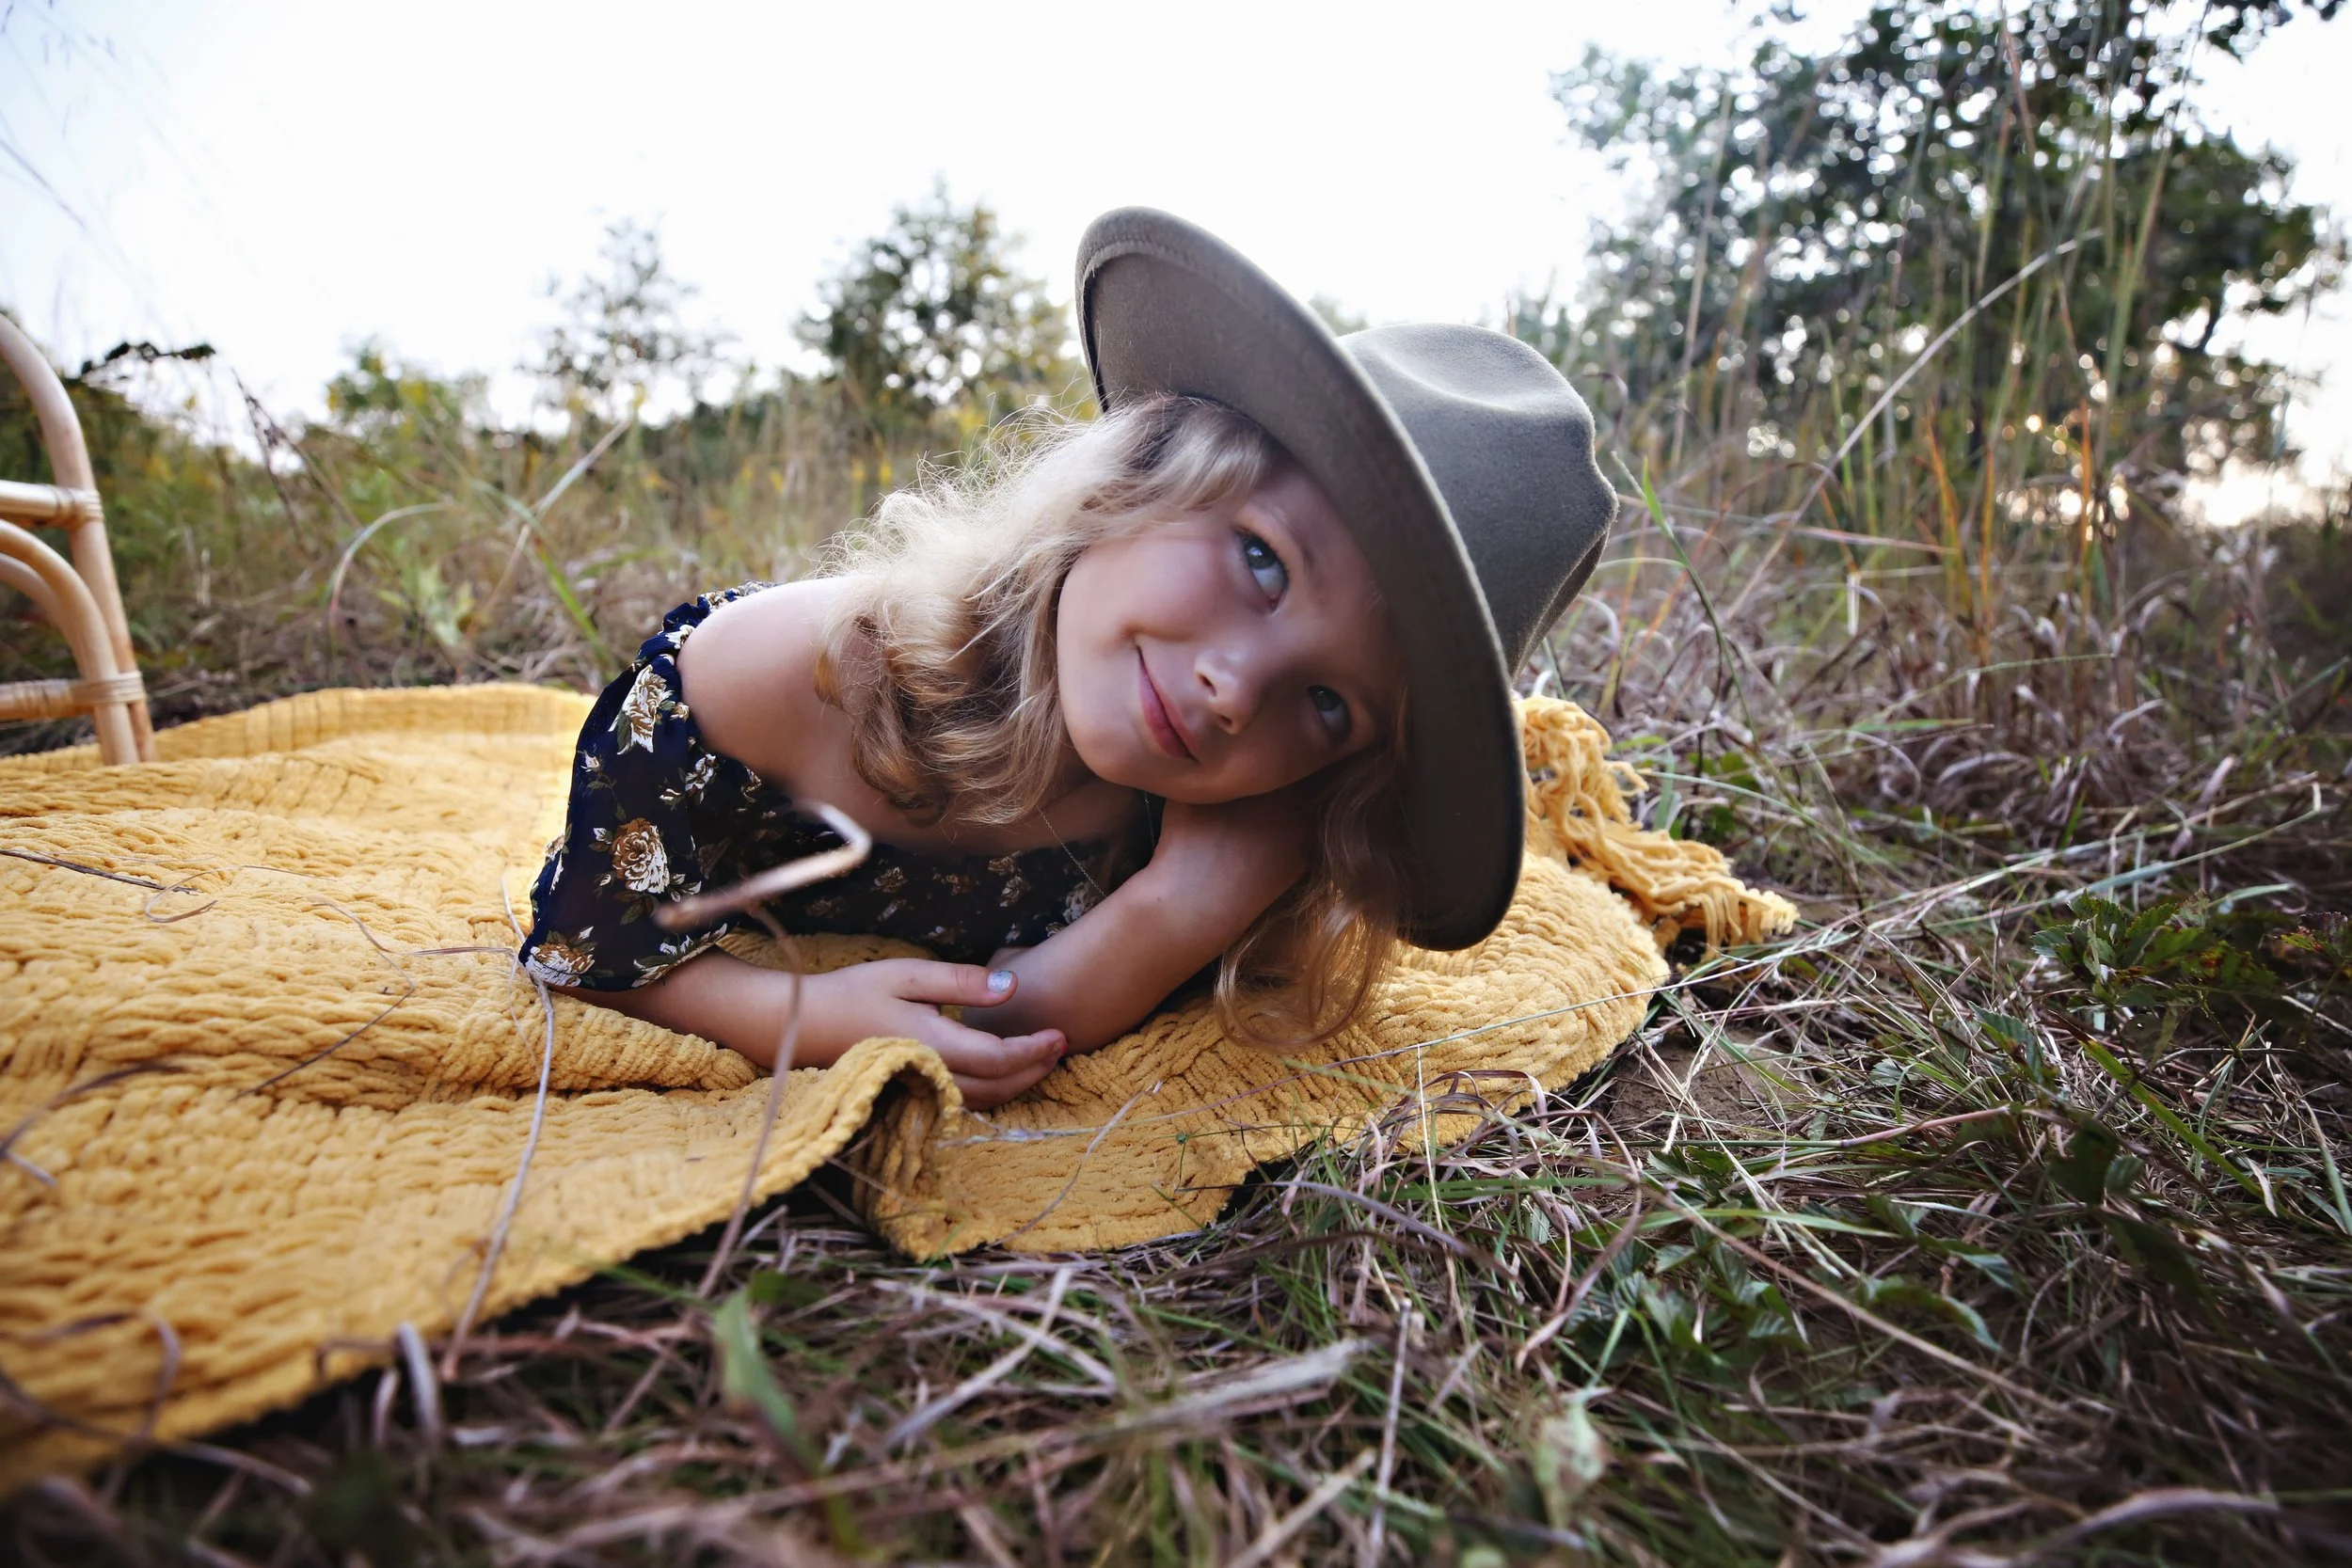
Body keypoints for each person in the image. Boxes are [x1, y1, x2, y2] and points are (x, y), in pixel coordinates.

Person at [516, 208, 1616, 1108]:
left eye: (1331, 704)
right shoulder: (783, 675)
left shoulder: (1233, 813)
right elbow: (585, 943)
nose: (1238, 690)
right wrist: (794, 1016)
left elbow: (998, 1024)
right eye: (1265, 563)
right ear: (1134, 476)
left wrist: (1176, 905)